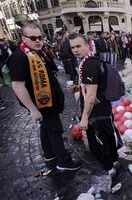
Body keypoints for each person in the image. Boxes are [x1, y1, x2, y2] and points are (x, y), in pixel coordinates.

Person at [7, 23, 80, 171]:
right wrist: (33, 110)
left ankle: (50, 154)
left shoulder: (36, 52)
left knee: (46, 129)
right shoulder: (19, 57)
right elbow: (17, 86)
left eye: (40, 37)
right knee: (55, 130)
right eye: (33, 38)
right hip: (42, 104)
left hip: (47, 101)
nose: (38, 41)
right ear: (24, 39)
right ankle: (64, 162)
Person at [67, 33, 121, 176]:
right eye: (72, 47)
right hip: (104, 108)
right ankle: (114, 161)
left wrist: (84, 118)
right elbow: (92, 87)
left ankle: (110, 169)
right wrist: (78, 88)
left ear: (87, 45)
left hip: (96, 113)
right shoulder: (90, 60)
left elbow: (91, 95)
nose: (75, 50)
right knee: (108, 137)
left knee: (97, 143)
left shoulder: (89, 65)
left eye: (79, 46)